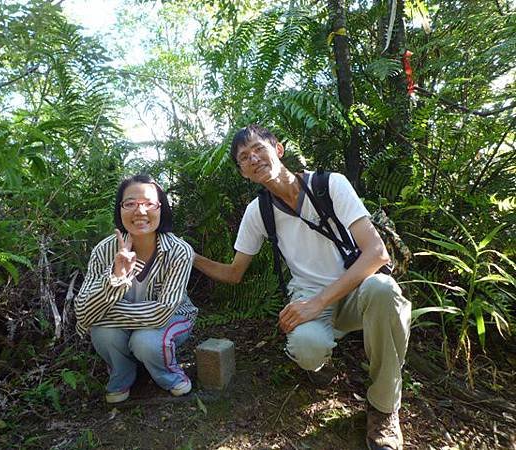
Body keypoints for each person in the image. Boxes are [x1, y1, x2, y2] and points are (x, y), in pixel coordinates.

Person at [193, 125, 411, 450]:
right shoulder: (259, 212)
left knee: (383, 289)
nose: (253, 158)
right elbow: (235, 272)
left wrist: (319, 302)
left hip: (355, 291)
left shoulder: (329, 185)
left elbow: (376, 253)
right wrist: (190, 256)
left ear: (277, 149)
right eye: (244, 157)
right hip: (309, 297)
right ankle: (321, 362)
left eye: (258, 148)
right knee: (307, 349)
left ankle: (383, 408)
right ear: (243, 173)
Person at [75, 174, 198, 403]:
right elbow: (82, 310)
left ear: (161, 209)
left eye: (149, 203)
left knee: (145, 341)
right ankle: (123, 375)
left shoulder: (179, 251)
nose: (140, 212)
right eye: (130, 203)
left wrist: (102, 314)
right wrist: (117, 277)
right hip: (132, 321)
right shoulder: (104, 250)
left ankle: (169, 375)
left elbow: (163, 311)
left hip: (174, 317)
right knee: (103, 334)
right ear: (119, 210)